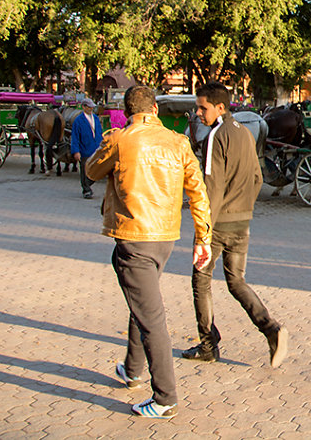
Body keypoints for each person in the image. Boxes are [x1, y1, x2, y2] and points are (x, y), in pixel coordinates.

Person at [86, 86, 213, 419]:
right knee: (142, 301)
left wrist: (108, 142)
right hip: (165, 236)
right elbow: (198, 192)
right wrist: (203, 237)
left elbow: (91, 171)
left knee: (151, 318)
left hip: (134, 236)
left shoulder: (120, 139)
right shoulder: (178, 142)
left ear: (128, 112)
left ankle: (165, 397)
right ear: (155, 109)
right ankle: (132, 368)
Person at [182, 81, 288, 368]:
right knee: (237, 282)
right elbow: (257, 177)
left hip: (218, 223)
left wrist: (203, 233)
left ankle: (208, 344)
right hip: (242, 221)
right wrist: (244, 207)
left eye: (202, 108)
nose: (199, 113)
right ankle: (271, 329)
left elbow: (212, 186)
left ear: (220, 107)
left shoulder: (216, 136)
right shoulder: (243, 133)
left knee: (201, 279)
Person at [70, 97, 103, 199]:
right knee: (84, 170)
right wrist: (76, 151)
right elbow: (75, 137)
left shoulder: (96, 118)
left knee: (98, 169)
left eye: (92, 107)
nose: (91, 109)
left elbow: (99, 133)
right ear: (84, 107)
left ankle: (88, 183)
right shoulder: (78, 121)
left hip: (96, 148)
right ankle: (86, 190)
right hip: (84, 149)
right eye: (89, 107)